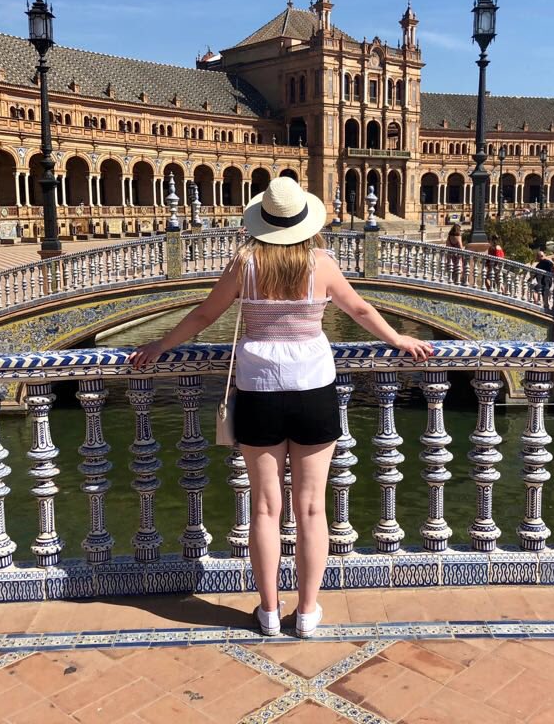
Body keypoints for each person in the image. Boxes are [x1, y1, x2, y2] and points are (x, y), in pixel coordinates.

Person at [128, 178, 432, 638]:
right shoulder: (322, 263)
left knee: (266, 508)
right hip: (313, 388)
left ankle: (268, 611)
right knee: (311, 509)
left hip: (258, 389)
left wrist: (159, 345)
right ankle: (307, 612)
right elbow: (361, 310)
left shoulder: (243, 263)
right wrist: (399, 339)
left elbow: (203, 316)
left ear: (262, 221)